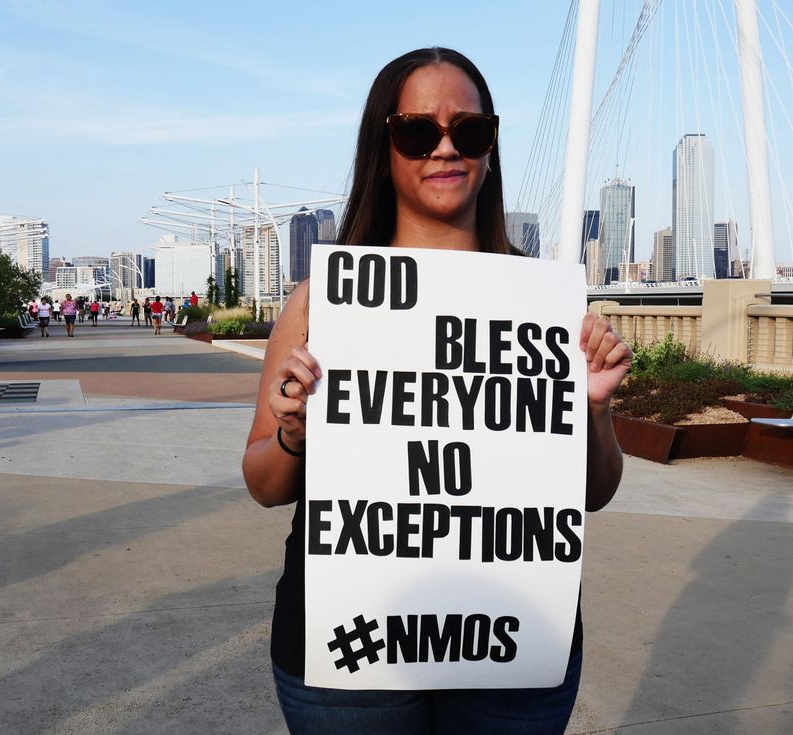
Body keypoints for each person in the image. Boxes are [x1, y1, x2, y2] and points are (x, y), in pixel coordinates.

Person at [241, 48, 631, 735]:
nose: (446, 147)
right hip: (349, 652)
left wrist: (593, 410)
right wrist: (294, 433)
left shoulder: (543, 305)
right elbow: (266, 482)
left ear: (491, 145)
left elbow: (592, 493)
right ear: (384, 147)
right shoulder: (323, 303)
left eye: (470, 131)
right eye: (419, 131)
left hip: (513, 647)